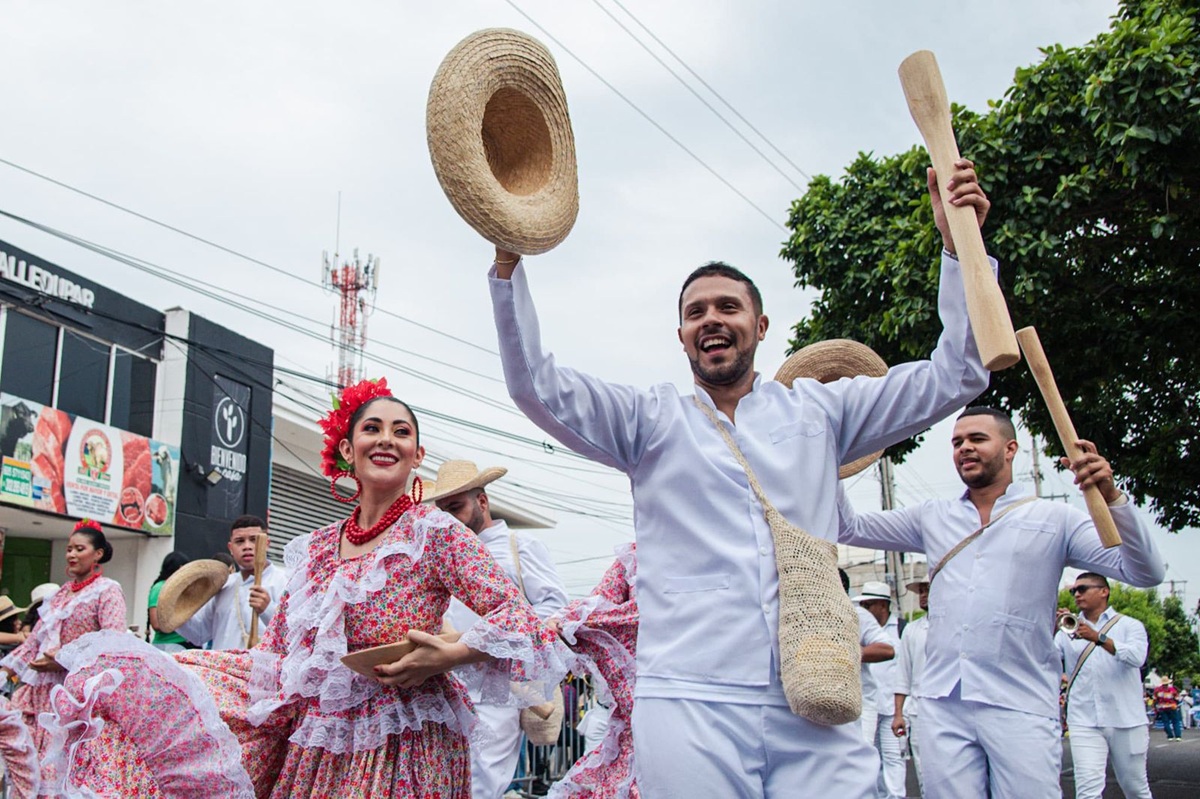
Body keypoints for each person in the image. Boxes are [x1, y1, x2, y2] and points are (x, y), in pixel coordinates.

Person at [490, 154, 994, 795]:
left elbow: (958, 373)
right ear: (681, 337)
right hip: (689, 698)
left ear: (758, 327)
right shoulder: (649, 421)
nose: (711, 319)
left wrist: (961, 252)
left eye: (727, 307)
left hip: (815, 693)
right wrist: (508, 263)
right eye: (696, 312)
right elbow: (536, 385)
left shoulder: (823, 411)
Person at [36, 378, 569, 798]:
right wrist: (155, 671)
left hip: (407, 741)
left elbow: (522, 621)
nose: (387, 438)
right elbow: (277, 654)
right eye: (373, 428)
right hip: (320, 741)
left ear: (416, 455)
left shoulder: (436, 534)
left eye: (401, 432)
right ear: (347, 448)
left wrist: (447, 656)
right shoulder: (314, 547)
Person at [838, 406, 1165, 799]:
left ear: (1010, 449)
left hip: (1020, 701)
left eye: (977, 439)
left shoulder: (1053, 518)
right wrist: (831, 459)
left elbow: (1146, 572)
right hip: (944, 703)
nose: (965, 449)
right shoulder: (932, 517)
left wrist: (1112, 496)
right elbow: (849, 526)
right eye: (957, 442)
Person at [427, 459, 569, 799]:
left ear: (483, 502)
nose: (451, 518)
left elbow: (555, 610)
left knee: (481, 781)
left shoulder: (519, 548)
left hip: (501, 685)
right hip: (445, 685)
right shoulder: (440, 556)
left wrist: (487, 641)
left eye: (457, 507)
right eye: (444, 511)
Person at [0, 519, 126, 769]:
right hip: (41, 694)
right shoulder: (58, 596)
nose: (71, 554)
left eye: (80, 549)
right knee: (30, 765)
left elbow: (113, 644)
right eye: (69, 549)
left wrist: (62, 659)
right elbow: (34, 642)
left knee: (64, 768)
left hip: (78, 694)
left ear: (98, 554)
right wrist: (5, 672)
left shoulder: (107, 591)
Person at [548, 543, 639, 799]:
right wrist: (567, 621)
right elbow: (598, 601)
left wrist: (575, 623)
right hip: (621, 718)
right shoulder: (633, 557)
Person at [1055, 573, 1151, 799]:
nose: (1077, 595)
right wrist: (1049, 628)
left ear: (1103, 591)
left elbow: (1137, 658)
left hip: (1127, 720)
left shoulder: (1130, 625)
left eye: (1083, 589)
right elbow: (1044, 659)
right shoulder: (1067, 630)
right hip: (1084, 721)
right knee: (1088, 793)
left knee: (1136, 789)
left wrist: (1098, 638)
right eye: (1073, 591)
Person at [175, 515, 289, 650]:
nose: (247, 546)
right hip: (221, 668)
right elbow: (199, 634)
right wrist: (176, 612)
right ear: (230, 548)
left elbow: (297, 637)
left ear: (266, 544)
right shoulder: (224, 584)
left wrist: (268, 609)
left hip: (261, 669)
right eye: (240, 541)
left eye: (254, 540)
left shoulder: (284, 582)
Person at [851, 580, 904, 799]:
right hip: (869, 700)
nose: (865, 609)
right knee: (873, 758)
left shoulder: (902, 628)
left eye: (869, 604)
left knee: (893, 758)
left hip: (892, 706)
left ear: (882, 605)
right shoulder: (861, 622)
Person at [892, 578, 931, 794]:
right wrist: (898, 713)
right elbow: (903, 674)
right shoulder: (912, 630)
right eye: (921, 591)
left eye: (928, 590)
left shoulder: (956, 626)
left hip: (952, 710)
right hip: (918, 711)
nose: (923, 595)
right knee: (924, 774)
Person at [147, 551, 191, 652]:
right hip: (169, 645)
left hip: (180, 644)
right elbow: (156, 623)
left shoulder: (180, 587)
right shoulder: (160, 588)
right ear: (180, 568)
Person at [1153, 676, 1183, 741]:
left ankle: (1170, 736)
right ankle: (1178, 736)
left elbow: (1155, 699)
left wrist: (1156, 707)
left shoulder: (1157, 690)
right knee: (1175, 722)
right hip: (1172, 707)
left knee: (1165, 722)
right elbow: (1177, 698)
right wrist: (1176, 704)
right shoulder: (1172, 689)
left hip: (1162, 707)